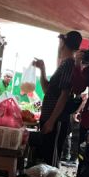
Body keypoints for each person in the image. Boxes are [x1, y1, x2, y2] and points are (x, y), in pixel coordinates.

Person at [33, 30, 82, 166]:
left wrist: (51, 121)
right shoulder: (64, 64)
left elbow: (64, 95)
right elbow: (47, 90)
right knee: (46, 157)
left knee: (51, 162)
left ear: (62, 43)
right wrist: (42, 69)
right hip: (50, 118)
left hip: (56, 121)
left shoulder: (69, 64)